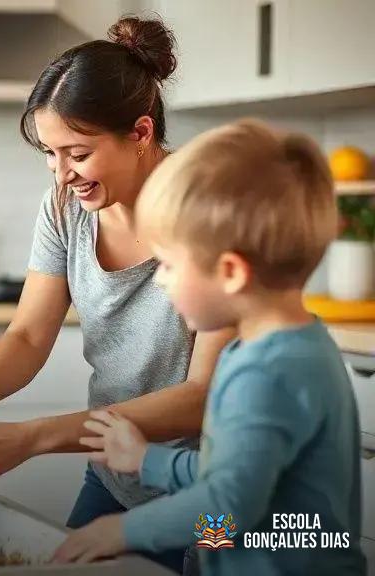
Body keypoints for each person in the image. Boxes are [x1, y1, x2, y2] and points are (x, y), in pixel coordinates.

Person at [0, 17, 232, 573]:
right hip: (113, 473)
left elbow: (202, 395)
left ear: (141, 134)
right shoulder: (65, 211)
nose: (61, 175)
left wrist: (32, 437)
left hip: (209, 494)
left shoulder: (208, 214)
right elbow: (30, 333)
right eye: (49, 154)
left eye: (76, 154)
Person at [52, 119, 366, 575]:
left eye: (171, 265)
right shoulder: (288, 346)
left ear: (232, 273)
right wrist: (149, 462)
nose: (160, 279)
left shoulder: (267, 375)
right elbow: (242, 478)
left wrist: (121, 532)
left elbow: (229, 511)